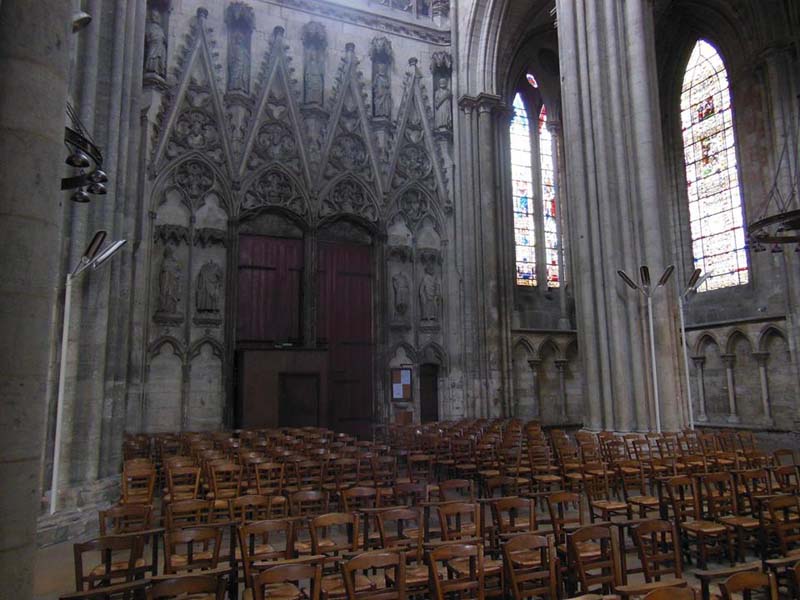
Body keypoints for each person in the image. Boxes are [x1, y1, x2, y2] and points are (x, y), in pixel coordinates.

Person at [144, 10, 167, 78]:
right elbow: (148, 37)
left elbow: (163, 38)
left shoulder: (160, 29)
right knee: (152, 56)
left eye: (157, 16)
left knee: (159, 58)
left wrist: (162, 40)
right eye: (154, 16)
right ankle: (151, 69)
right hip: (153, 46)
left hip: (160, 47)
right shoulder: (149, 26)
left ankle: (159, 70)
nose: (155, 17)